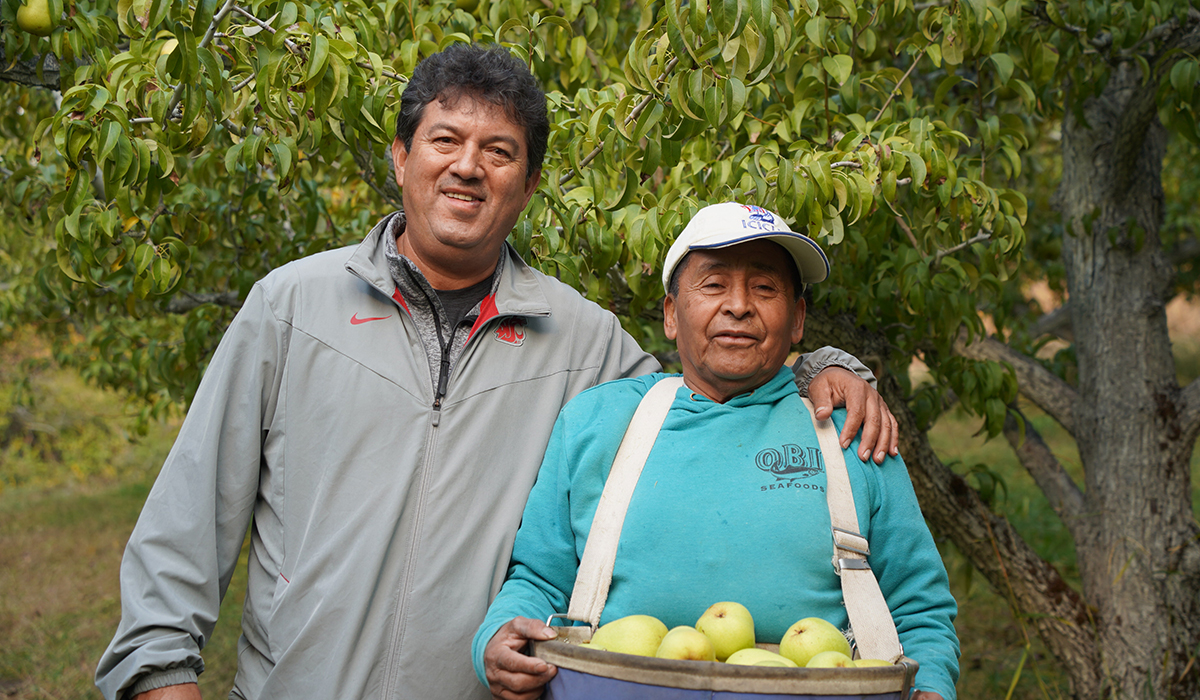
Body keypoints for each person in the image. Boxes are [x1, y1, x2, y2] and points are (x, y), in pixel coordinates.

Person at [95, 46, 899, 700]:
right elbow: (186, 525)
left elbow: (715, 387)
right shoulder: (292, 306)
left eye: (499, 151)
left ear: (529, 185)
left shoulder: (583, 342)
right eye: (445, 140)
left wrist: (826, 365)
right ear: (402, 156)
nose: (468, 168)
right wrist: (163, 677)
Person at [475, 203, 959, 700]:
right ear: (670, 314)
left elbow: (918, 604)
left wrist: (933, 686)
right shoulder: (598, 423)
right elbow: (537, 575)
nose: (739, 306)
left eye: (765, 288)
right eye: (713, 284)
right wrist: (498, 637)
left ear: (797, 319)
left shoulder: (852, 428)